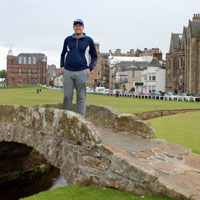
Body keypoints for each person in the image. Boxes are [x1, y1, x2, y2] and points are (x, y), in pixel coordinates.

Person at [60, 19, 98, 116]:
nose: (78, 27)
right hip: (68, 71)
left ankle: (81, 120)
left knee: (81, 97)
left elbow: (94, 56)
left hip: (82, 71)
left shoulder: (89, 40)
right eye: (76, 26)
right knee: (67, 96)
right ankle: (67, 118)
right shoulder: (67, 40)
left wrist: (89, 69)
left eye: (80, 26)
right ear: (73, 27)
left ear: (83, 27)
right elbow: (63, 54)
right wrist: (62, 66)